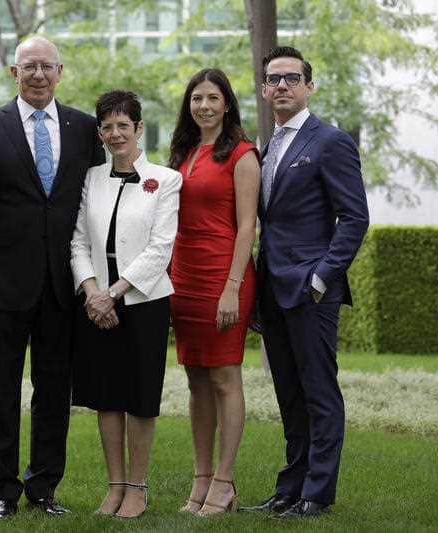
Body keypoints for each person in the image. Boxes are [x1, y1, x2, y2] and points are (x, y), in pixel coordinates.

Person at [0, 36, 105, 519]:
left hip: (64, 283)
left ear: (60, 71)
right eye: (29, 67)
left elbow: (94, 208)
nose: (38, 74)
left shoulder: (86, 129)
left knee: (54, 389)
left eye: (46, 66)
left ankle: (44, 487)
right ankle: (2, 490)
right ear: (12, 73)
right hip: (2, 283)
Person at [239, 46, 369, 519]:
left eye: (291, 78)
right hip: (273, 290)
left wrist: (321, 277)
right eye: (273, 79)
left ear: (309, 86)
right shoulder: (268, 144)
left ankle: (317, 493)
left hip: (311, 291)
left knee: (319, 393)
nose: (281, 87)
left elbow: (354, 218)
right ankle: (289, 489)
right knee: (289, 396)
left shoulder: (330, 141)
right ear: (263, 88)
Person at [70, 90, 182, 518]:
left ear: (139, 129)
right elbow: (78, 240)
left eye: (124, 125)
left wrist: (113, 293)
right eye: (108, 126)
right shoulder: (90, 178)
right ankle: (114, 486)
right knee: (106, 395)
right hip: (95, 301)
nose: (116, 134)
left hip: (143, 300)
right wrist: (92, 290)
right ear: (100, 132)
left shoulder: (166, 180)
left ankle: (137, 487)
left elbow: (161, 248)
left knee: (139, 396)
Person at [167, 68, 261, 517]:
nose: (204, 105)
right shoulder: (183, 152)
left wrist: (232, 287)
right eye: (197, 98)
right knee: (196, 379)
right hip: (182, 277)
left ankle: (224, 482)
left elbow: (247, 226)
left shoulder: (241, 154)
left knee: (224, 377)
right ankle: (200, 479)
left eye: (212, 98)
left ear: (227, 103)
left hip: (223, 276)